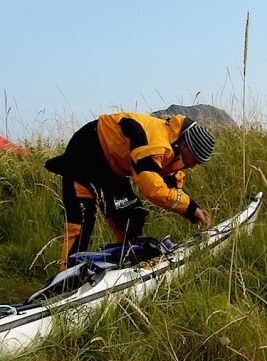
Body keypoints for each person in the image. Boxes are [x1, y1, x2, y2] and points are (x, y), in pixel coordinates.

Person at [45, 112, 216, 270]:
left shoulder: (173, 145)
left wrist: (194, 210)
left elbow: (170, 183)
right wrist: (191, 208)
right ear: (185, 145)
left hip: (109, 164)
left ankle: (123, 267)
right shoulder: (157, 143)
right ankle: (67, 283)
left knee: (130, 220)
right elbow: (153, 188)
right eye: (196, 160)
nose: (194, 166)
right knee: (83, 224)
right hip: (88, 149)